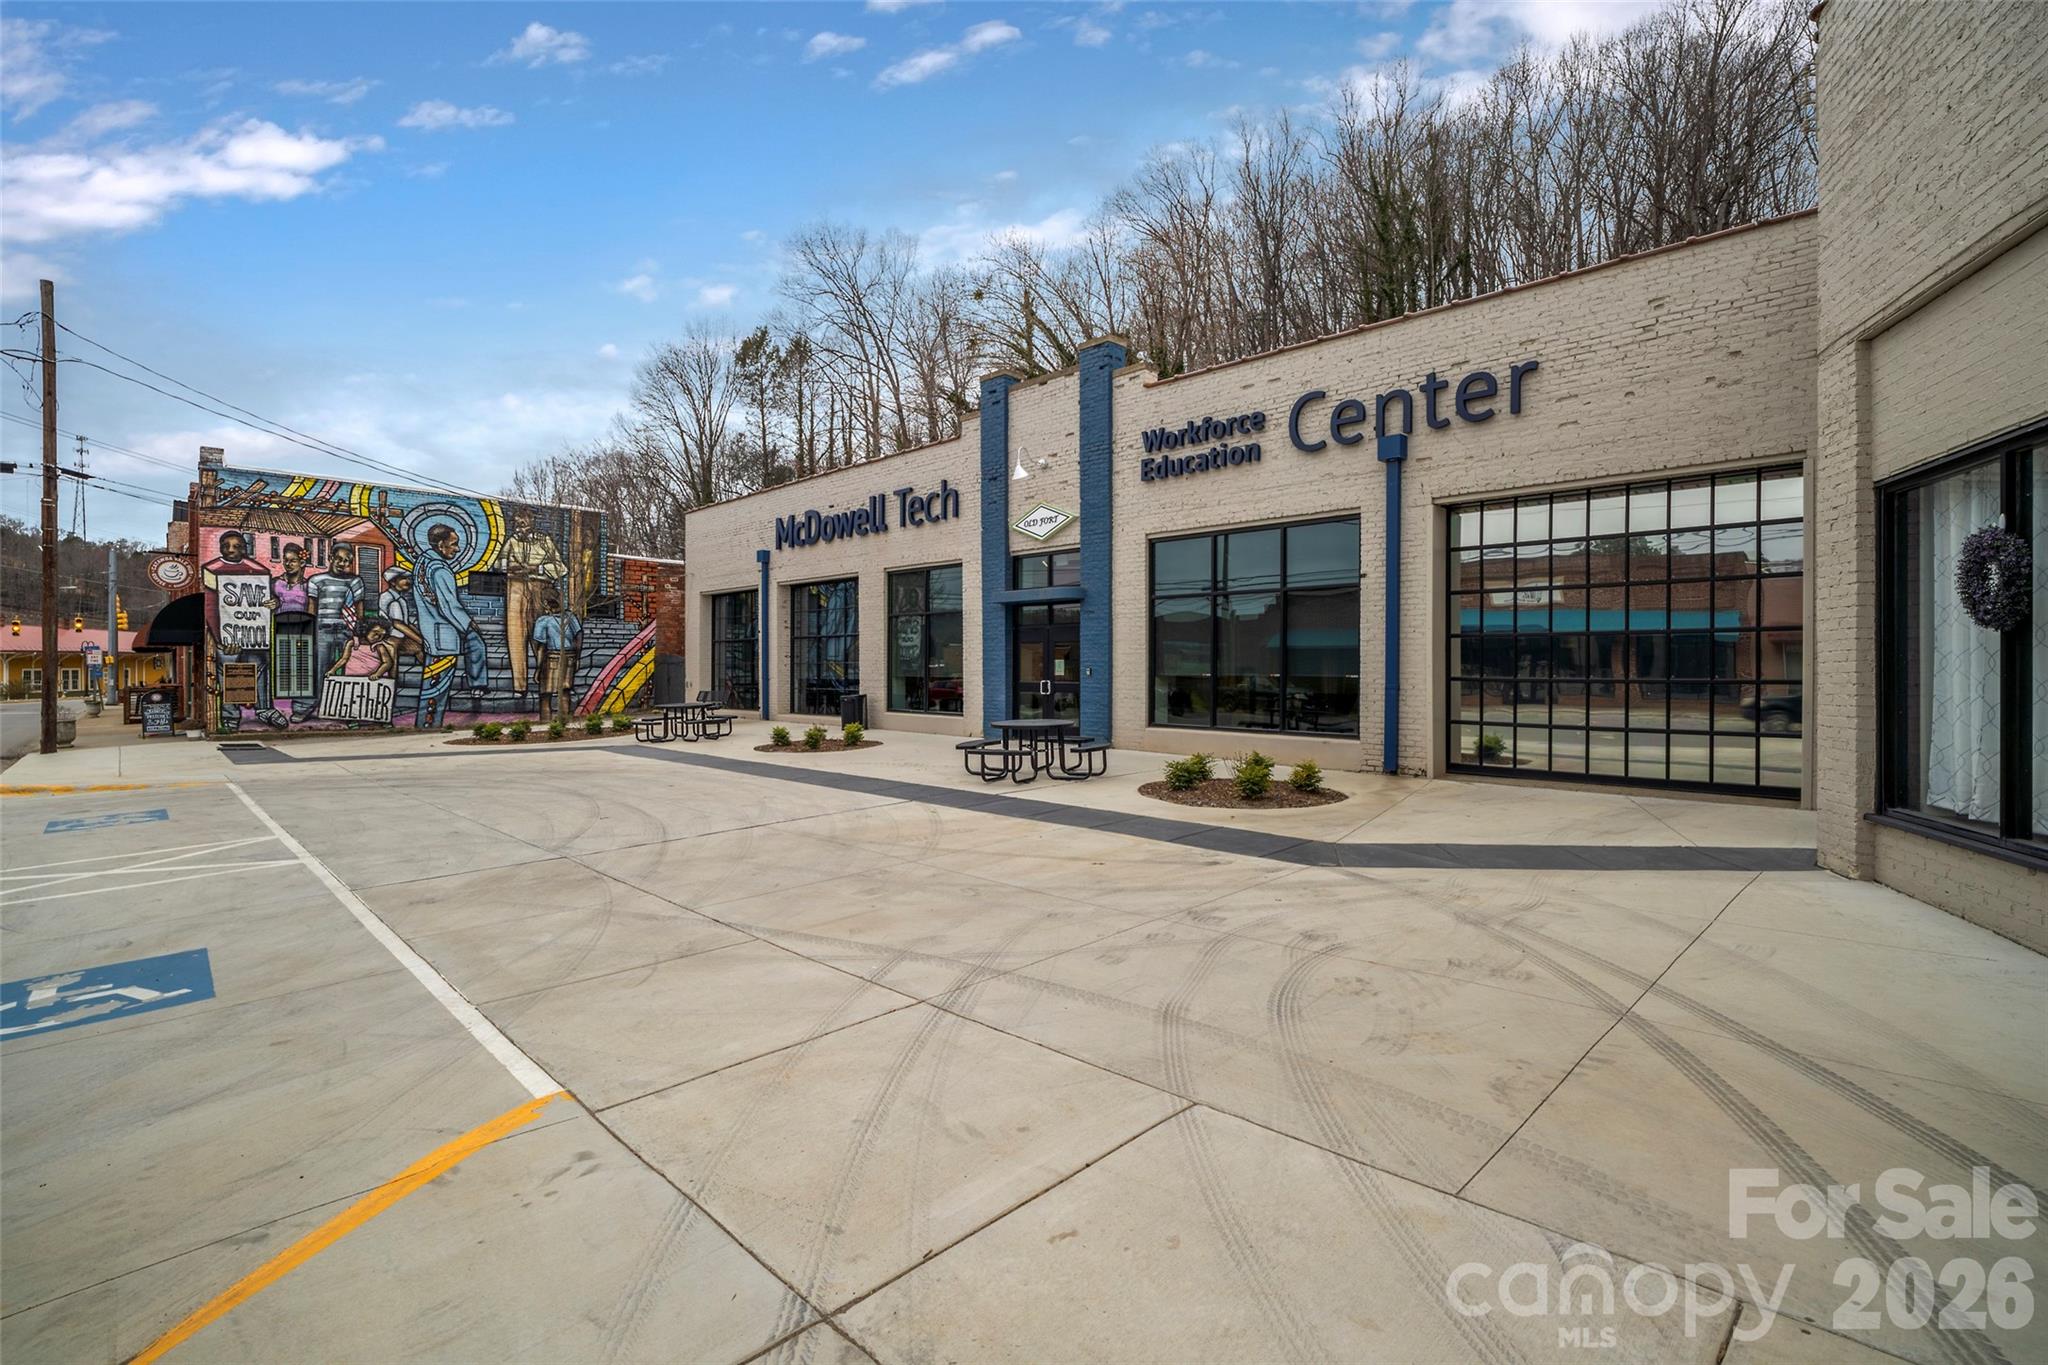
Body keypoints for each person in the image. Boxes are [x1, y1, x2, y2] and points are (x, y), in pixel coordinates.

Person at [201, 530, 287, 731]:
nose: (232, 550)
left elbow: (269, 599)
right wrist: (219, 638)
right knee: (229, 670)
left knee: (260, 665)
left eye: (237, 546)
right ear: (220, 547)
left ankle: (264, 708)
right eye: (227, 546)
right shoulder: (212, 570)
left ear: (245, 548)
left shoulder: (258, 570)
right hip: (227, 635)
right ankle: (230, 713)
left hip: (255, 633)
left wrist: (274, 603)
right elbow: (210, 606)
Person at [412, 524, 488, 726]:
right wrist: (469, 623)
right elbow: (449, 606)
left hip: (431, 632)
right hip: (443, 637)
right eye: (454, 544)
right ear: (440, 545)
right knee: (436, 688)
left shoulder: (423, 562)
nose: (457, 549)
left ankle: (427, 723)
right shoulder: (440, 570)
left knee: (432, 687)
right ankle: (429, 725)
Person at [495, 506, 567, 697]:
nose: (522, 524)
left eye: (525, 519)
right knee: (516, 637)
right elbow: (498, 564)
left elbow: (561, 567)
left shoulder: (544, 541)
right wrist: (511, 567)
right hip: (516, 588)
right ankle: (520, 686)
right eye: (518, 521)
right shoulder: (512, 541)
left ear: (532, 521)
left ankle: (545, 680)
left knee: (541, 636)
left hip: (540, 588)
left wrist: (537, 568)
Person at [308, 544, 362, 709]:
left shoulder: (355, 581)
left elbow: (359, 608)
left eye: (346, 561)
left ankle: (343, 706)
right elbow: (311, 608)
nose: (342, 563)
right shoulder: (316, 580)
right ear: (330, 558)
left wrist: (358, 632)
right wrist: (310, 632)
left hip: (346, 630)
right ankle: (317, 704)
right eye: (338, 558)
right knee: (321, 668)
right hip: (323, 629)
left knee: (347, 668)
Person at [530, 587, 582, 721]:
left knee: (545, 694)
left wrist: (538, 669)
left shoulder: (543, 621)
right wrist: (577, 657)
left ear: (545, 603)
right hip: (570, 657)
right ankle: (564, 721)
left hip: (551, 658)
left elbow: (541, 647)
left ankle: (545, 722)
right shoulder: (570, 617)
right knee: (564, 692)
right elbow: (579, 636)